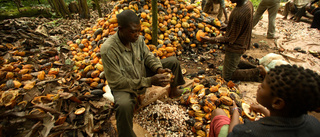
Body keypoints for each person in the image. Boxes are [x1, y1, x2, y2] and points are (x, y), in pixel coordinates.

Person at [100, 10, 185, 137]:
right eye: (133, 31)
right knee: (123, 105)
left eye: (138, 31)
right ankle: (126, 134)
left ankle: (173, 90)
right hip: (123, 85)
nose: (137, 34)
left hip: (140, 72)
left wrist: (158, 69)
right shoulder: (109, 49)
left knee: (172, 62)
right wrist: (150, 81)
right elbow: (117, 82)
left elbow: (148, 56)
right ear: (120, 29)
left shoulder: (138, 39)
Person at [209, 65, 320, 137]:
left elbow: (232, 134)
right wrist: (265, 111)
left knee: (218, 113)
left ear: (277, 103)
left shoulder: (250, 132)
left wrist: (235, 113)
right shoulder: (314, 123)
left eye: (262, 86)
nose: (258, 87)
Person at [201, 0, 266, 82]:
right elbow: (241, 25)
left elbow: (230, 39)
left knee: (228, 75)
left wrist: (212, 39)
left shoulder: (239, 13)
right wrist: (229, 26)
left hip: (236, 46)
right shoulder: (248, 3)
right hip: (243, 41)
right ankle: (255, 67)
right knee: (234, 62)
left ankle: (257, 71)